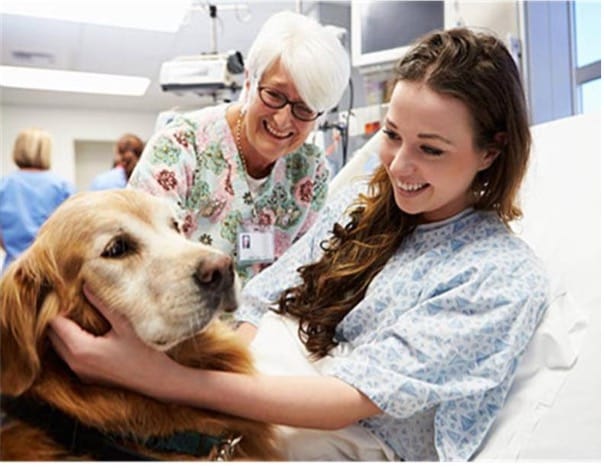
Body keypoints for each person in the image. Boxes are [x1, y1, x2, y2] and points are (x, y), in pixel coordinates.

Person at [49, 28, 549, 461]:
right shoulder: (358, 206)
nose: (397, 167)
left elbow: (348, 399)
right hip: (254, 368)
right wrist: (208, 367)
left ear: (491, 150)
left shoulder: (497, 275)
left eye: (431, 150)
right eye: (393, 136)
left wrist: (161, 379)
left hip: (338, 428)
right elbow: (267, 294)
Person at [125, 11, 350, 285]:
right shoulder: (180, 148)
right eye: (274, 95)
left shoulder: (310, 173)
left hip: (266, 323)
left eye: (304, 108)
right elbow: (141, 259)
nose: (283, 119)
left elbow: (303, 271)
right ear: (249, 80)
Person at [0, 128, 74, 272]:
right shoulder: (62, 187)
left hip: (12, 271)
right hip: (49, 270)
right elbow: (69, 235)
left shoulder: (3, 185)